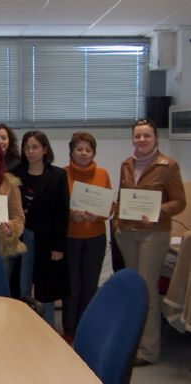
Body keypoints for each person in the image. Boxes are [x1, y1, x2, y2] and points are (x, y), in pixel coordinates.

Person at [114, 119, 186, 366]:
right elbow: (123, 197)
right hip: (126, 233)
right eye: (137, 136)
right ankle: (132, 343)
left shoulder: (168, 166)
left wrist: (157, 210)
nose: (142, 140)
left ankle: (148, 350)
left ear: (155, 138)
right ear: (133, 139)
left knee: (147, 291)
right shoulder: (126, 164)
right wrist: (116, 223)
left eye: (146, 136)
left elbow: (179, 202)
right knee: (134, 291)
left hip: (153, 235)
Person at [12, 130, 70, 327]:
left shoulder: (58, 175)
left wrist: (58, 247)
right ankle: (24, 327)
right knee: (22, 286)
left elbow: (62, 213)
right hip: (22, 238)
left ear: (45, 149)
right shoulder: (15, 174)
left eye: (35, 147)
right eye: (27, 147)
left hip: (47, 239)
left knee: (47, 289)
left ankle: (49, 329)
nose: (30, 151)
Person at [62, 131, 112, 344]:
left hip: (95, 237)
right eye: (79, 149)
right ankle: (69, 330)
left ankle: (86, 328)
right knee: (71, 287)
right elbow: (56, 206)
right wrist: (71, 214)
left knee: (90, 286)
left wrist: (98, 214)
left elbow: (110, 206)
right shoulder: (61, 174)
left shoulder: (103, 174)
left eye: (87, 149)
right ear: (72, 152)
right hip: (70, 237)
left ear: (93, 152)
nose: (83, 153)